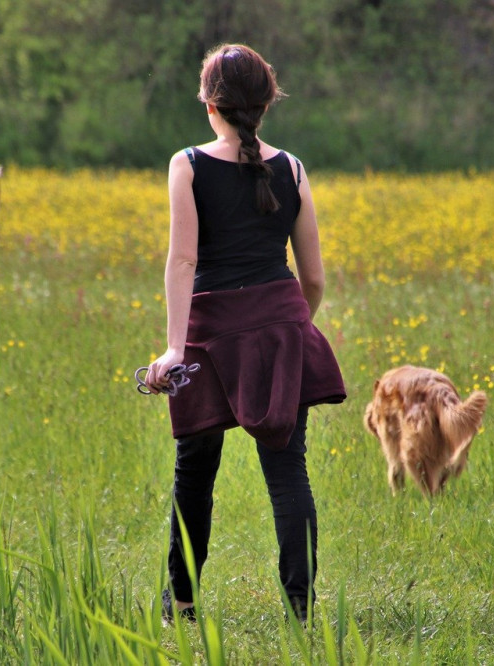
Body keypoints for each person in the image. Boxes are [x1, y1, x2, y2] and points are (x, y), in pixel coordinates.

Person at [143, 43, 346, 625]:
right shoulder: (294, 168)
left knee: (194, 471)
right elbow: (313, 277)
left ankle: (181, 606)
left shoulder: (188, 164)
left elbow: (183, 262)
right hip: (281, 325)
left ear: (209, 102)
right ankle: (301, 614)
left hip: (209, 335)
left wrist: (177, 348)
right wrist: (289, 326)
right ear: (265, 104)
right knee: (288, 470)